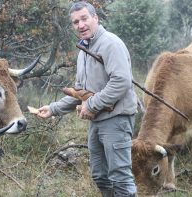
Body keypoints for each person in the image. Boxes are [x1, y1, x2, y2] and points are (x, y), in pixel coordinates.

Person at [37, 1, 137, 197]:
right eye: (75, 22)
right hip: (97, 121)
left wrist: (91, 104)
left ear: (95, 18)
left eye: (84, 19)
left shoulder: (110, 43)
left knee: (120, 177)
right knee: (100, 175)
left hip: (117, 119)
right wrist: (53, 108)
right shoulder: (84, 50)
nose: (80, 25)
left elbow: (122, 82)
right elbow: (81, 92)